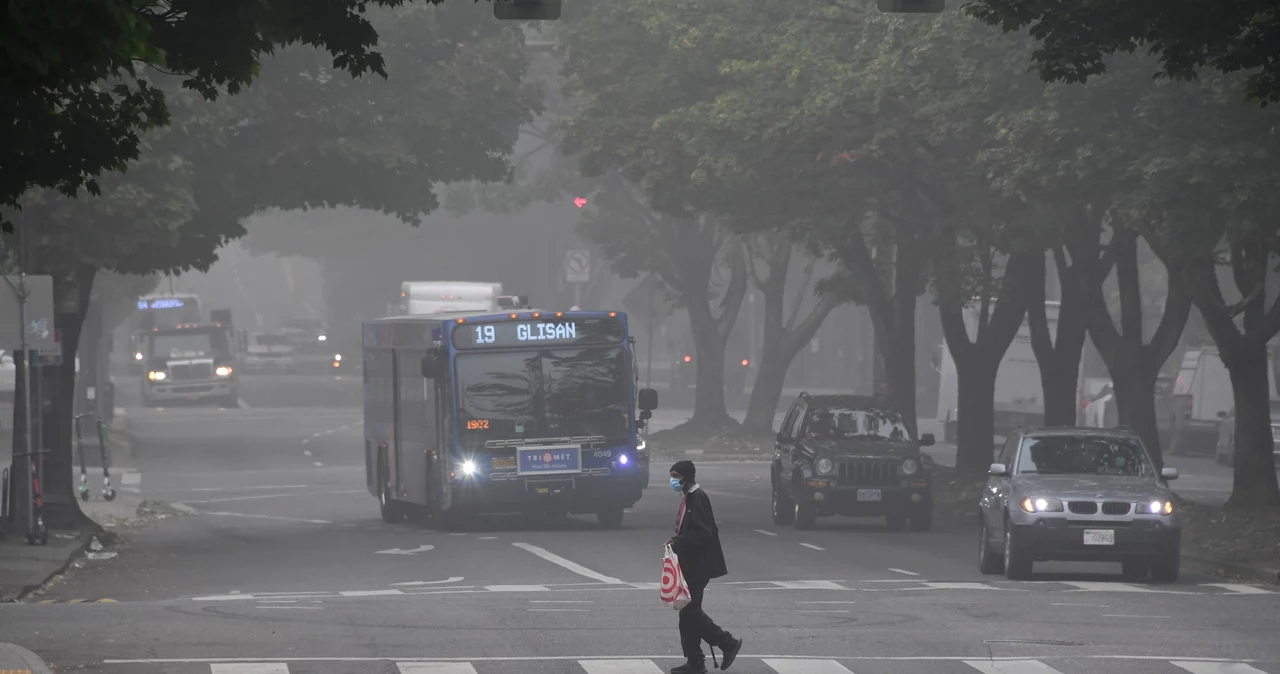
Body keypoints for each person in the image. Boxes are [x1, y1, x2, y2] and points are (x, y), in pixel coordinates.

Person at [665, 460, 743, 673]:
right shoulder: (689, 496)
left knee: (690, 613)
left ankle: (727, 643)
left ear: (686, 476)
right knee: (687, 614)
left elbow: (703, 533)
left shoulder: (697, 497)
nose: (672, 480)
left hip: (699, 565)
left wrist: (676, 542)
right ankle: (695, 661)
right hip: (690, 563)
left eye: (675, 475)